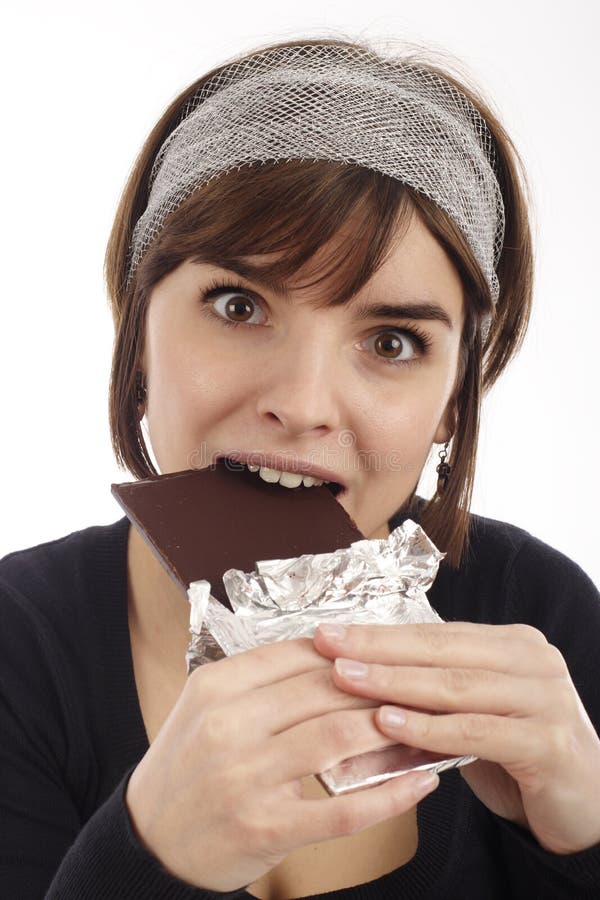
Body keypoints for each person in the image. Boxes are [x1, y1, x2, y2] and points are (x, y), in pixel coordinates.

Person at [1, 35, 599, 900]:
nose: (305, 401)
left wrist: (585, 841)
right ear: (138, 335)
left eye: (392, 341)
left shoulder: (538, 615)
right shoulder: (18, 650)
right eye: (239, 305)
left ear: (456, 402)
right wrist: (144, 856)